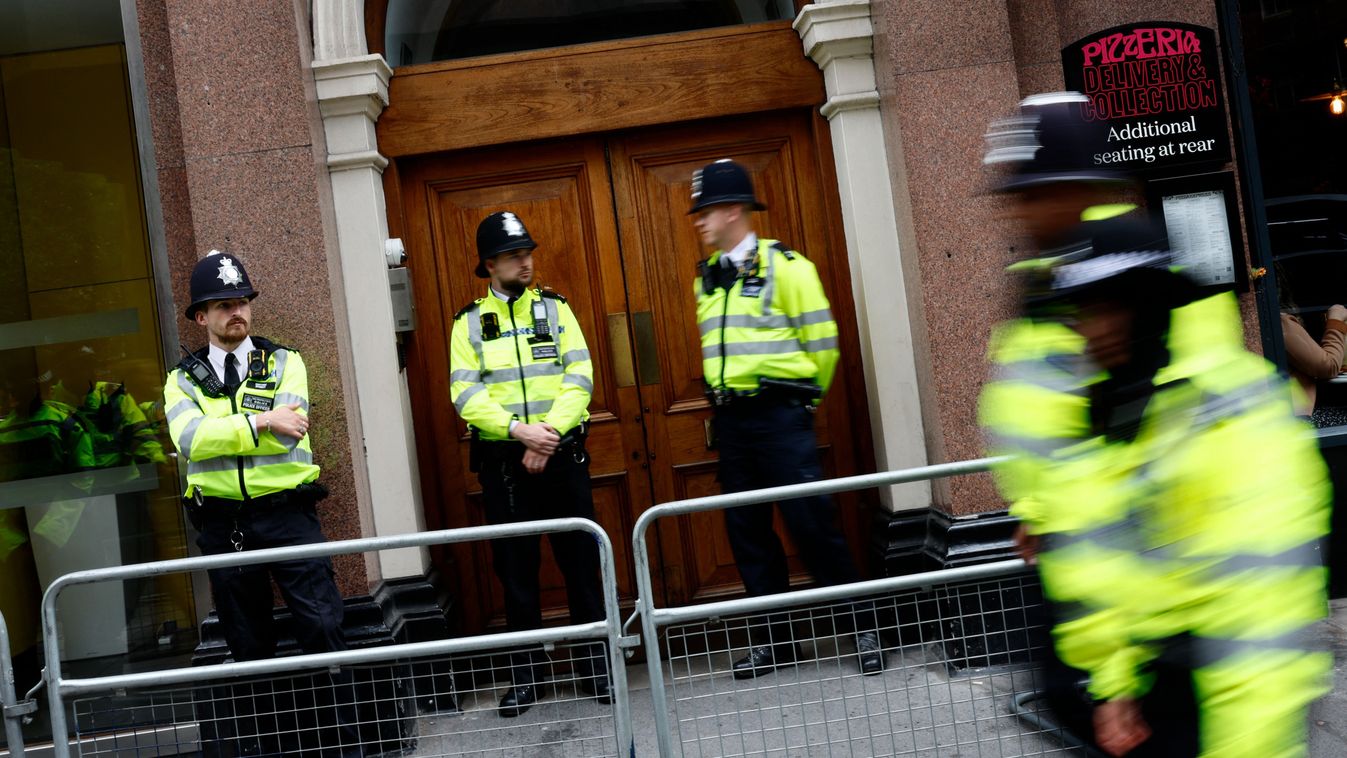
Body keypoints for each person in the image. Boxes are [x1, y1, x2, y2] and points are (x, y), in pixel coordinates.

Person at [688, 159, 882, 679]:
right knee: (747, 533)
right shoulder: (706, 281)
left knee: (812, 525)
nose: (699, 221)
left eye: (705, 211)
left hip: (780, 416)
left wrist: (803, 404)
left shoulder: (788, 267)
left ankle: (863, 625)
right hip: (732, 423)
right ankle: (775, 641)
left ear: (733, 211)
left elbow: (823, 344)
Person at [164, 250, 359, 756]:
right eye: (222, 304)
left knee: (322, 626)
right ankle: (268, 746)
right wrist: (260, 420)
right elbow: (190, 441)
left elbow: (289, 434)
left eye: (241, 301)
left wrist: (263, 425)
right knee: (248, 643)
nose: (236, 312)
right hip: (222, 523)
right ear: (200, 317)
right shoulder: (182, 379)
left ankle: (344, 745)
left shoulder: (284, 362)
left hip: (288, 514)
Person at [448, 211, 609, 717]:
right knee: (516, 572)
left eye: (528, 252)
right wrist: (519, 431)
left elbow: (579, 376)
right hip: (503, 465)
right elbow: (464, 394)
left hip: (560, 456)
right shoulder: (468, 323)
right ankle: (527, 675)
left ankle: (596, 667)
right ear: (490, 263)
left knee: (581, 565)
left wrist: (549, 436)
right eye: (516, 254)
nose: (526, 261)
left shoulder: (557, 309)